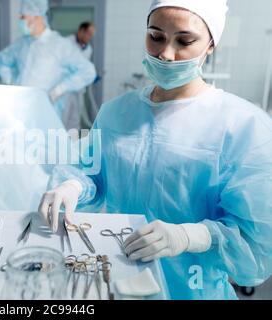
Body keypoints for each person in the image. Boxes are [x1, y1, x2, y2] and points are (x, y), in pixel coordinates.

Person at [38, 0, 272, 300]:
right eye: (156, 36)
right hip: (121, 277)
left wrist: (189, 236)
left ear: (211, 45)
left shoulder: (241, 125)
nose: (166, 53)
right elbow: (93, 175)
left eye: (185, 41)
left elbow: (256, 237)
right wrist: (72, 186)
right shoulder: (116, 113)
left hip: (192, 289)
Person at [0, 0, 96, 122]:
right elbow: (1, 60)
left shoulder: (59, 45)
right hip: (20, 110)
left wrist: (59, 90)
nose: (20, 19)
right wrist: (10, 81)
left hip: (48, 112)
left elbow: (88, 71)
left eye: (23, 16)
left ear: (37, 17)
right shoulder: (22, 43)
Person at [63, 22, 96, 131]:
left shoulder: (88, 49)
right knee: (63, 116)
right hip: (65, 89)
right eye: (88, 34)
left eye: (92, 35)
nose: (90, 37)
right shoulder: (67, 43)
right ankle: (59, 143)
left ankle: (72, 144)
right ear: (81, 31)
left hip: (78, 89)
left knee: (75, 118)